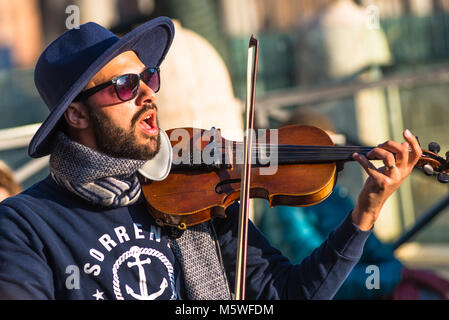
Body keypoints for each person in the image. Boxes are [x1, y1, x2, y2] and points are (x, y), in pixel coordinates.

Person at [0, 17, 421, 300]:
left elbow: (286, 294)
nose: (148, 93)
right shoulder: (24, 223)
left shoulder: (198, 192)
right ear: (75, 114)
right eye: (126, 86)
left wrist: (365, 213)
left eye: (149, 78)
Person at [258, 108, 449, 300]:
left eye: (335, 147)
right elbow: (321, 278)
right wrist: (391, 277)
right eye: (321, 150)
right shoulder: (285, 205)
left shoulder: (337, 196)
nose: (335, 158)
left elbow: (377, 252)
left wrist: (394, 273)